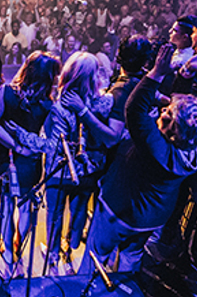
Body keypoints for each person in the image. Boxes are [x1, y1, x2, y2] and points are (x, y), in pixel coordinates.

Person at [80, 44, 197, 274]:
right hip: (151, 219)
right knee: (130, 260)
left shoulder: (156, 145)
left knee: (96, 255)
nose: (163, 112)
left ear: (176, 130)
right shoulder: (190, 150)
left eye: (169, 114)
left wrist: (156, 73)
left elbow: (134, 109)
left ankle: (84, 285)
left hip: (119, 210)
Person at [0, 51, 61, 277]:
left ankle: (8, 252)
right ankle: (19, 246)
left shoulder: (5, 93)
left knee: (7, 207)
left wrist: (12, 142)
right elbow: (48, 141)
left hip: (4, 159)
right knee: (25, 206)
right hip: (30, 161)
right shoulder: (48, 104)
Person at [44, 52, 117, 275]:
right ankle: (68, 254)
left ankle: (54, 257)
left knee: (54, 215)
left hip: (58, 169)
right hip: (88, 169)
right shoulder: (105, 102)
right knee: (78, 214)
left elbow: (50, 135)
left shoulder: (56, 101)